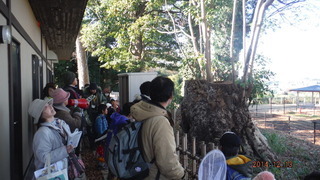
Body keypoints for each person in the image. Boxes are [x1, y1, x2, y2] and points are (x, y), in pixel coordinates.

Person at [130, 76, 185, 180]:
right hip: (153, 175)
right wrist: (181, 175)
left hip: (140, 172)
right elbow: (166, 161)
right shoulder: (160, 122)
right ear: (171, 95)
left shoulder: (141, 112)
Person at [28, 98, 73, 170]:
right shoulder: (42, 133)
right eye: (45, 107)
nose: (50, 106)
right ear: (40, 115)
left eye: (49, 104)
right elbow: (44, 158)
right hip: (51, 174)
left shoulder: (60, 123)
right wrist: (65, 150)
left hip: (62, 168)